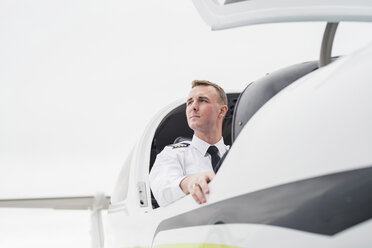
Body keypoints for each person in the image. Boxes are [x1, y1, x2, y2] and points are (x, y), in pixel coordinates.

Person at [149, 80, 229, 207]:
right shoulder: (172, 154)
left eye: (202, 100)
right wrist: (189, 182)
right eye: (190, 102)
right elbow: (162, 188)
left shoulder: (237, 154)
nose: (193, 107)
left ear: (222, 111)